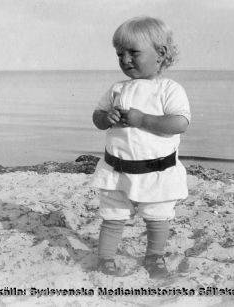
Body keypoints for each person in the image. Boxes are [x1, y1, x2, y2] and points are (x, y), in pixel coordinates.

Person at [91, 16, 190, 279]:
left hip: (157, 173)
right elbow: (97, 117)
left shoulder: (169, 89)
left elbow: (180, 122)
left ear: (161, 53)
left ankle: (155, 257)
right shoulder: (117, 89)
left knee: (158, 218)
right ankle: (105, 259)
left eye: (133, 53)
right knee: (113, 217)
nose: (125, 60)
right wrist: (106, 117)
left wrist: (142, 119)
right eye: (119, 54)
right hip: (117, 171)